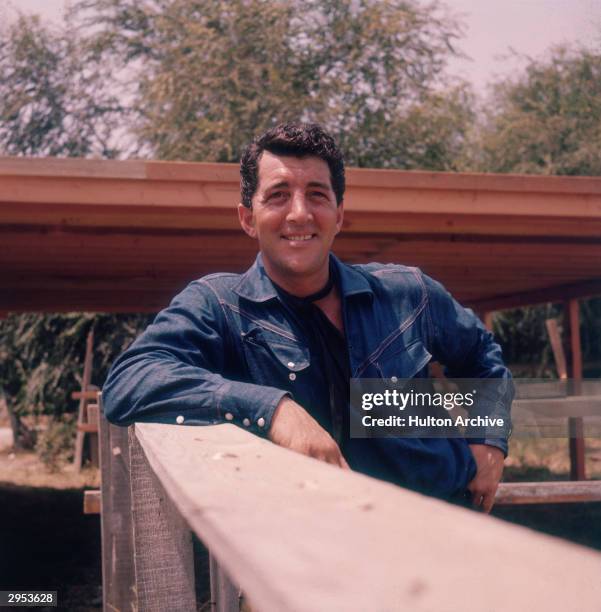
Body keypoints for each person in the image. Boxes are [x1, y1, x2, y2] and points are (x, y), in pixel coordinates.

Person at [103, 122, 512, 512]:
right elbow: (129, 381)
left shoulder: (409, 293)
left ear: (339, 215)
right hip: (307, 550)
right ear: (248, 218)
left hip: (439, 527)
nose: (299, 213)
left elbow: (483, 357)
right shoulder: (218, 305)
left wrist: (490, 442)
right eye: (278, 195)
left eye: (317, 194)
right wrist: (274, 410)